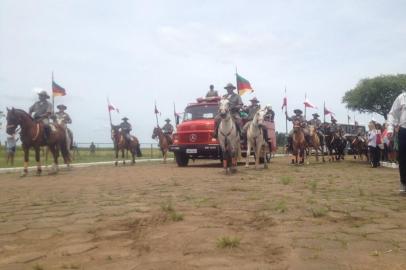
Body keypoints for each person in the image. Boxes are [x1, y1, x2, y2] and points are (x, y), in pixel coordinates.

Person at [387, 91, 406, 192]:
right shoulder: (402, 97)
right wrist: (390, 128)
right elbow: (392, 113)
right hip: (404, 130)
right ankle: (403, 182)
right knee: (403, 158)